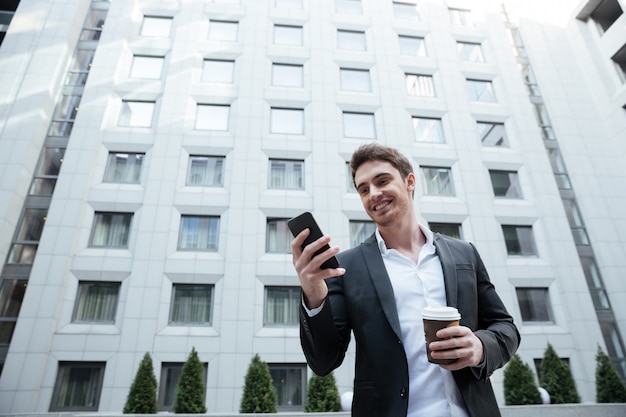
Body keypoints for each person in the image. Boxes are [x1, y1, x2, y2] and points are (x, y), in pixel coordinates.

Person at [291, 143, 520, 417]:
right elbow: (324, 361)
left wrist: (480, 347)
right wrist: (314, 294)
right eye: (364, 189)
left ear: (410, 181)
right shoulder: (347, 268)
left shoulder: (464, 254)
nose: (373, 194)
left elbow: (505, 327)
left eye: (382, 181)